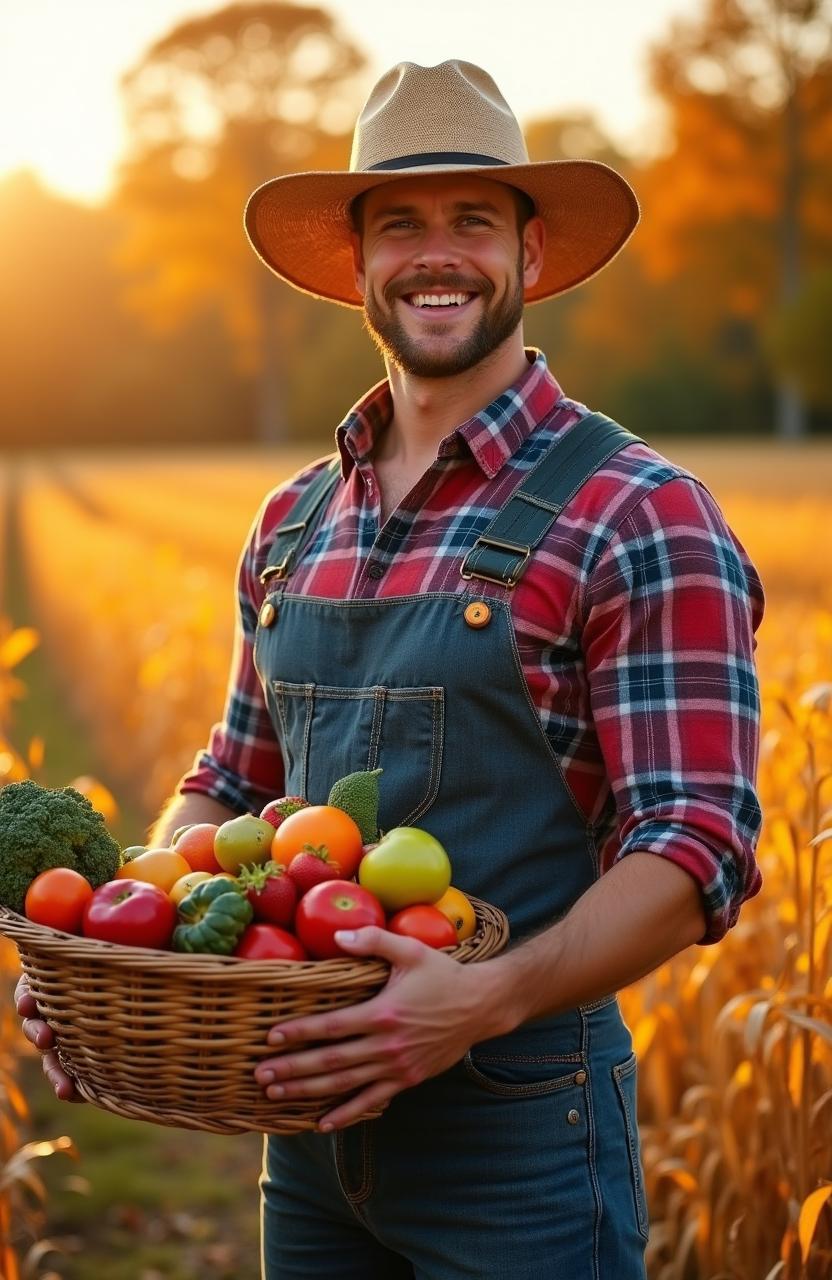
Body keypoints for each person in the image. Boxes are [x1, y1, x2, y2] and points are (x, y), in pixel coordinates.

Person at [16, 59, 764, 1279]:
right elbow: (228, 784)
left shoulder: (637, 511)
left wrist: (484, 997)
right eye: (400, 224)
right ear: (356, 264)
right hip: (305, 1131)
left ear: (529, 254)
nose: (437, 254)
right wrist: (129, 951)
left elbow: (694, 848)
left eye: (473, 220)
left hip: (518, 1130)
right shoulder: (294, 520)